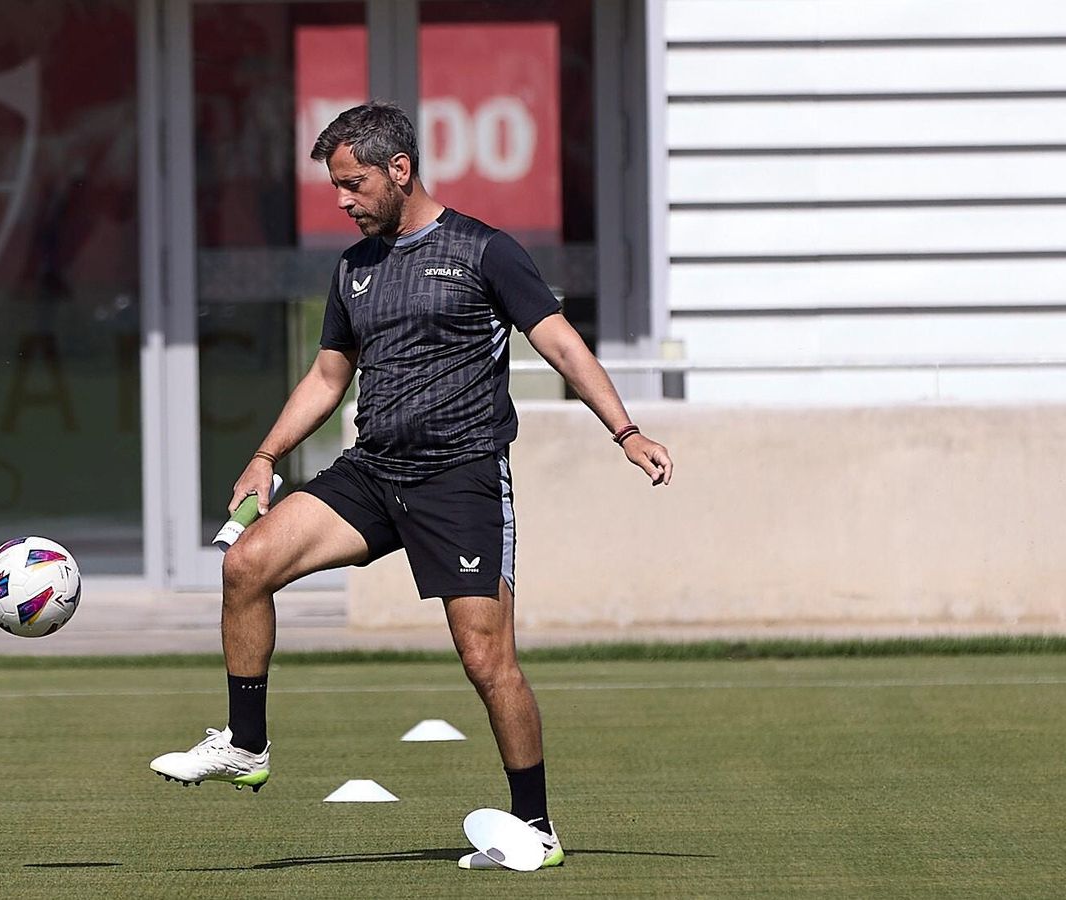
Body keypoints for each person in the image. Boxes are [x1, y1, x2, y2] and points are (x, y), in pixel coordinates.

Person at [149, 101, 673, 870]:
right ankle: (246, 743)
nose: (342, 201)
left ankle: (535, 826)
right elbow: (330, 375)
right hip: (372, 473)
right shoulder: (353, 269)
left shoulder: (484, 250)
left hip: (460, 475)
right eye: (335, 186)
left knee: (486, 658)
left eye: (353, 183)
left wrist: (624, 432)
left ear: (400, 170)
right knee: (245, 564)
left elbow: (559, 343)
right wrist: (266, 454)